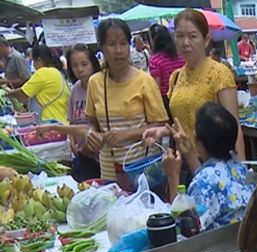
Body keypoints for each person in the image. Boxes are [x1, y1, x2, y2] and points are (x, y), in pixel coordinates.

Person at [142, 9, 245, 163]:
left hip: (215, 166)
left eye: (192, 36)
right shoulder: (176, 77)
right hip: (183, 161)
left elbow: (234, 126)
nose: (185, 43)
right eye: (180, 36)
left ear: (206, 39)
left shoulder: (219, 74)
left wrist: (241, 170)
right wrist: (161, 131)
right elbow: (182, 123)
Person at [85, 19, 168, 183]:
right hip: (109, 169)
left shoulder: (144, 81)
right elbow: (92, 121)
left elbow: (161, 124)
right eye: (111, 44)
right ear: (101, 47)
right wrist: (91, 133)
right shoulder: (95, 82)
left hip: (143, 168)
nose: (118, 51)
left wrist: (125, 135)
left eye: (123, 43)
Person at [161, 102, 254, 229]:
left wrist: (173, 176)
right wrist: (189, 153)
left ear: (201, 143)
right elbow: (210, 178)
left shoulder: (204, 182)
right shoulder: (240, 168)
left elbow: (183, 230)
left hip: (218, 246)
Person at [36, 44, 101, 181]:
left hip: (99, 154)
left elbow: (91, 127)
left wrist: (54, 127)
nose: (80, 69)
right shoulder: (75, 89)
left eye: (84, 64)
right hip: (81, 154)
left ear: (93, 64)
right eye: (75, 65)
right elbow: (72, 120)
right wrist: (72, 142)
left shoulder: (99, 88)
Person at [6, 45, 69, 124]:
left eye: (33, 61)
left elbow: (23, 93)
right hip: (62, 122)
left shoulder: (43, 72)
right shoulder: (57, 72)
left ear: (39, 60)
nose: (34, 65)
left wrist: (7, 92)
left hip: (50, 123)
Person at [149, 26, 186, 116]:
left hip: (166, 100)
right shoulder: (181, 56)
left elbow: (156, 87)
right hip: (184, 95)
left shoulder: (155, 60)